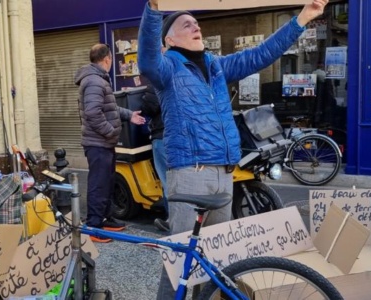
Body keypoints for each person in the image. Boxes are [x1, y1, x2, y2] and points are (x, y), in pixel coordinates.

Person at [137, 0, 328, 297]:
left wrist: (302, 18)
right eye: (185, 24)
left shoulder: (216, 66)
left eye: (196, 22)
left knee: (214, 261)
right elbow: (147, 57)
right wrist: (153, 8)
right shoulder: (167, 68)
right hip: (190, 172)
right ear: (169, 40)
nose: (195, 26)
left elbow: (261, 54)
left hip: (225, 173)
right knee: (179, 261)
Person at [74, 43, 146, 242]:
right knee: (99, 184)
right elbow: (92, 113)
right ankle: (94, 226)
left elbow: (110, 108)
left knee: (107, 181)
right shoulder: (95, 82)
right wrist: (111, 131)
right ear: (107, 59)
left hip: (103, 142)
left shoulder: (98, 80)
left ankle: (105, 219)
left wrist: (130, 115)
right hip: (98, 142)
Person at [140, 80, 170, 232]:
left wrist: (144, 96)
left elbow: (150, 107)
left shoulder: (156, 83)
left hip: (162, 135)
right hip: (179, 136)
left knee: (167, 180)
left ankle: (173, 220)